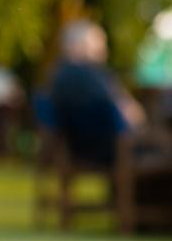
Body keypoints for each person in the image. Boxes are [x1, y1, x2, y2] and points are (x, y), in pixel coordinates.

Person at [48, 20, 145, 166]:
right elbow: (132, 116)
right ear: (80, 45)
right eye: (98, 41)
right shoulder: (96, 77)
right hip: (112, 148)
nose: (103, 48)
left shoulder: (58, 76)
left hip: (74, 148)